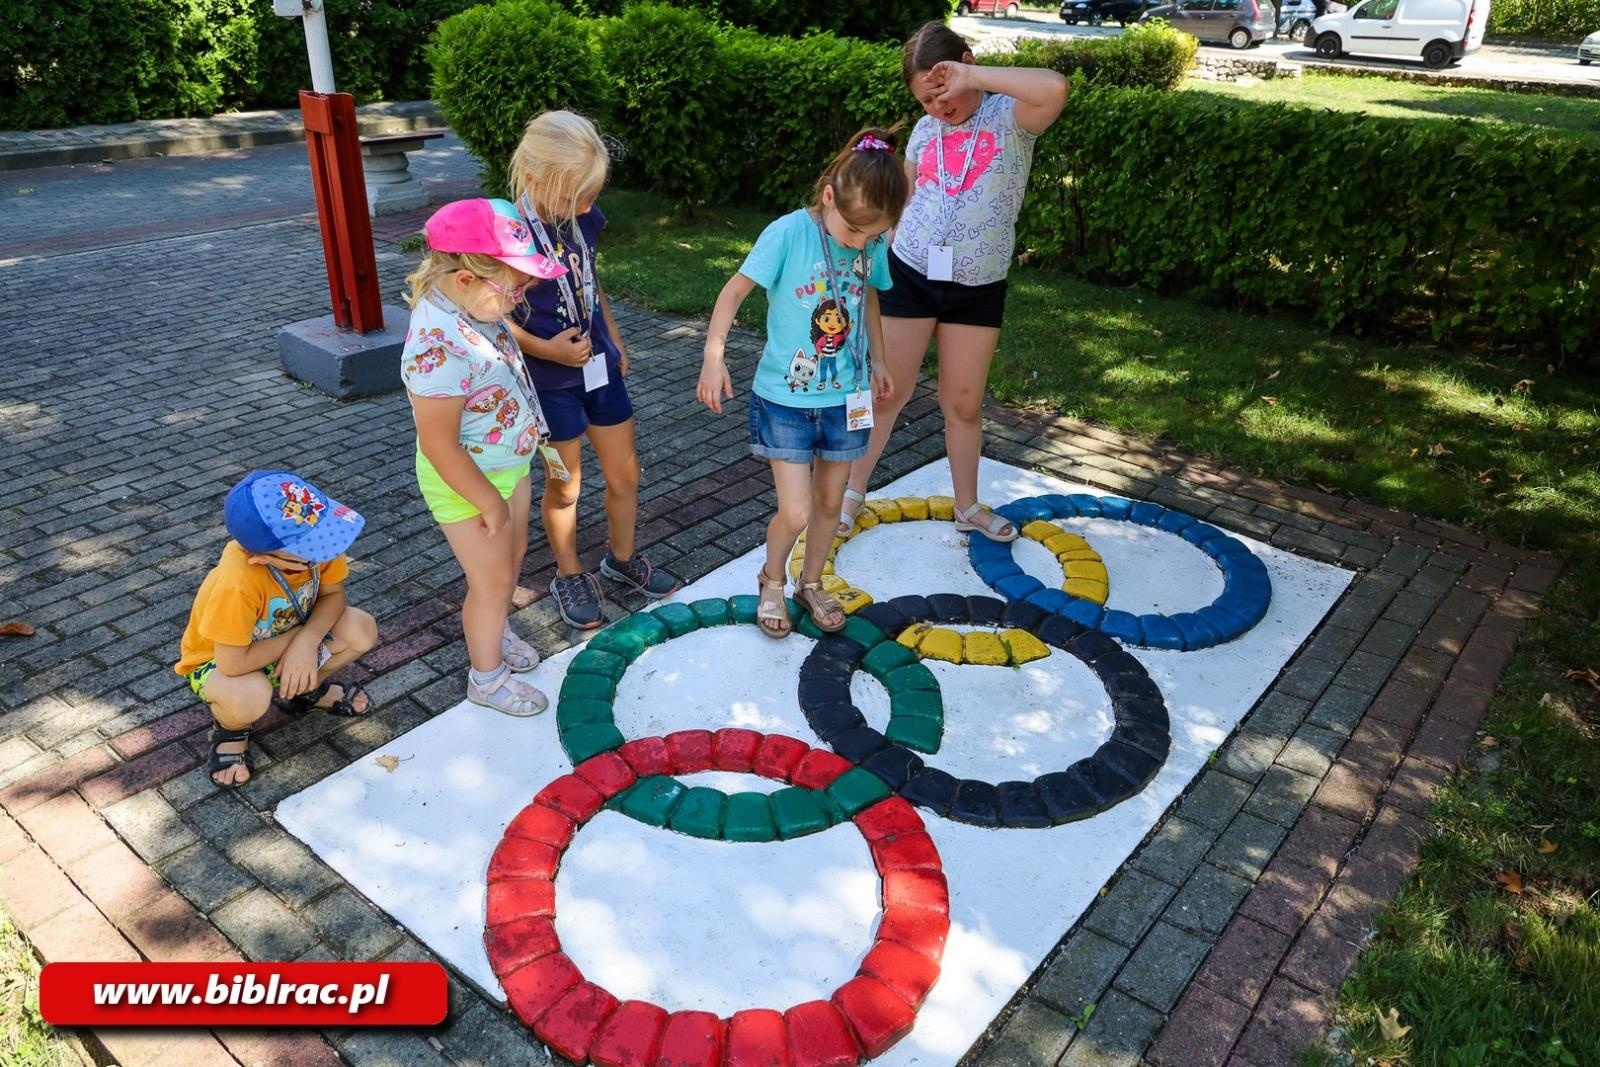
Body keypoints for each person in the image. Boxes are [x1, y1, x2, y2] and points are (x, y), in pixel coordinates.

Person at [838, 22, 1069, 541]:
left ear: (964, 65)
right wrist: (875, 253)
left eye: (945, 95)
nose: (939, 110)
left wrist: (973, 75)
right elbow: (902, 203)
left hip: (978, 285)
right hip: (911, 274)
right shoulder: (924, 132)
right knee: (883, 394)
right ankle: (848, 496)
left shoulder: (1011, 117)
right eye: (926, 101)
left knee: (963, 403)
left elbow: (1055, 88)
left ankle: (967, 506)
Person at [697, 129, 906, 638]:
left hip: (846, 399)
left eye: (870, 235)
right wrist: (713, 356)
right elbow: (733, 292)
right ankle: (772, 578)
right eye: (853, 231)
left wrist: (878, 358)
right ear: (828, 196)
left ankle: (809, 583)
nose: (859, 242)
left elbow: (870, 297)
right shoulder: (788, 232)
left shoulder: (870, 238)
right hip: (786, 401)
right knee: (795, 509)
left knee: (830, 508)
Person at [506, 111, 679, 630]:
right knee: (567, 486)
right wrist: (547, 348)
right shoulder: (510, 234)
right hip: (548, 380)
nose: (585, 207)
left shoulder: (581, 215)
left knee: (626, 472)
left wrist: (616, 339)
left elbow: (590, 281)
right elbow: (487, 318)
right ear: (535, 181)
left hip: (599, 367)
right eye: (574, 197)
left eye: (590, 196)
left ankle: (621, 562)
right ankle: (569, 572)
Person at [402, 197, 566, 717]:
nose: (520, 298)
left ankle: (494, 628)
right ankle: (486, 677)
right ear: (466, 276)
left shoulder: (472, 306)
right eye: (512, 287)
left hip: (503, 467)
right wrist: (488, 504)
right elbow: (438, 443)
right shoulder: (436, 344)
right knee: (492, 580)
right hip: (466, 483)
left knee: (509, 565)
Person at [175, 471, 377, 787]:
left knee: (360, 628)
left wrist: (308, 640)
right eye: (309, 553)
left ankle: (303, 691)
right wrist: (300, 640)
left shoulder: (315, 543)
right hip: (221, 663)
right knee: (251, 696)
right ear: (259, 559)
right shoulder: (237, 583)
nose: (323, 552)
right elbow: (231, 663)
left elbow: (334, 595)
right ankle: (230, 729)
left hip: (285, 642)